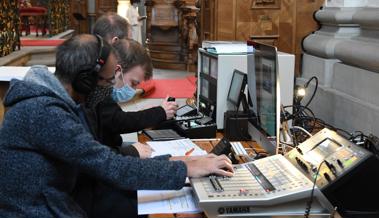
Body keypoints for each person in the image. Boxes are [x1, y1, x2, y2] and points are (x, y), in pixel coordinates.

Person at [0, 34, 234, 217]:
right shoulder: (45, 112)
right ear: (85, 80)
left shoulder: (55, 101)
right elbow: (110, 166)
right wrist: (186, 169)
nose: (111, 87)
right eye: (107, 80)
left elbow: (98, 160)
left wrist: (177, 162)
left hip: (61, 197)